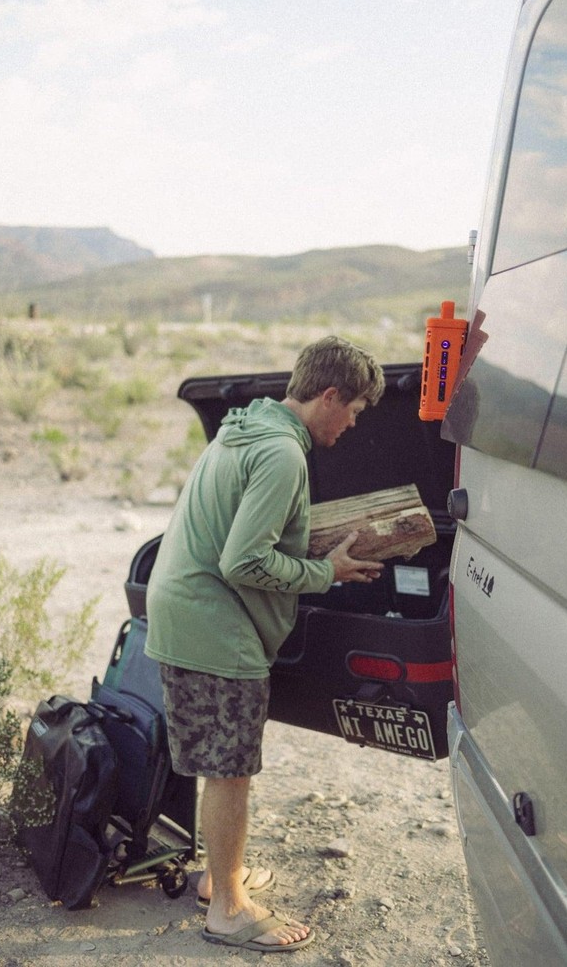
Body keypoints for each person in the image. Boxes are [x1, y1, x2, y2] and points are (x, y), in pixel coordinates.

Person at [145, 335, 385, 952]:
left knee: (220, 765)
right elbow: (244, 562)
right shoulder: (281, 453)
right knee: (231, 772)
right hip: (212, 624)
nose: (353, 424)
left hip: (182, 610)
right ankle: (229, 909)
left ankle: (217, 879)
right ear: (329, 395)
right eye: (355, 409)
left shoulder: (244, 429)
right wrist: (327, 572)